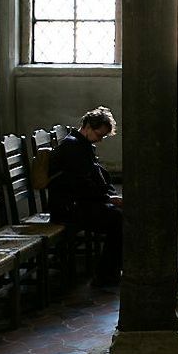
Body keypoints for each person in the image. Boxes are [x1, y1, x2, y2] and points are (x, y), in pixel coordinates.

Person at [48, 106, 123, 286]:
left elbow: (94, 178)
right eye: (99, 135)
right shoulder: (73, 147)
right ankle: (105, 274)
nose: (100, 140)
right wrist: (108, 199)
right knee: (119, 220)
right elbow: (81, 185)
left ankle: (110, 270)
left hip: (80, 202)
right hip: (69, 208)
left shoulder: (81, 144)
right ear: (88, 126)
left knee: (121, 215)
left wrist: (109, 196)